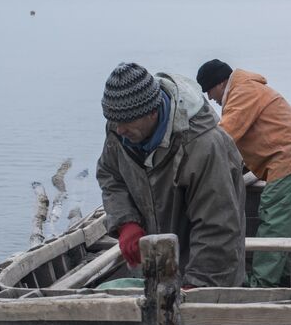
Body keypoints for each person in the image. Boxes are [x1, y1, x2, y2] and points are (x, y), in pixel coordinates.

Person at [96, 62, 246, 287]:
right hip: (160, 268)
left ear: (152, 112)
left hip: (210, 275)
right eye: (114, 121)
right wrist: (126, 222)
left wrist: (196, 286)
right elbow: (110, 175)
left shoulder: (204, 145)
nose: (119, 130)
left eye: (126, 122)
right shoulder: (120, 131)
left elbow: (218, 228)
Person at [196, 59, 291, 287]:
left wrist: (195, 161)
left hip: (289, 162)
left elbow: (224, 137)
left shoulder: (242, 92)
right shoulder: (248, 88)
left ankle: (262, 283)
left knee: (275, 218)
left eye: (209, 90)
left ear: (222, 82)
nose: (209, 98)